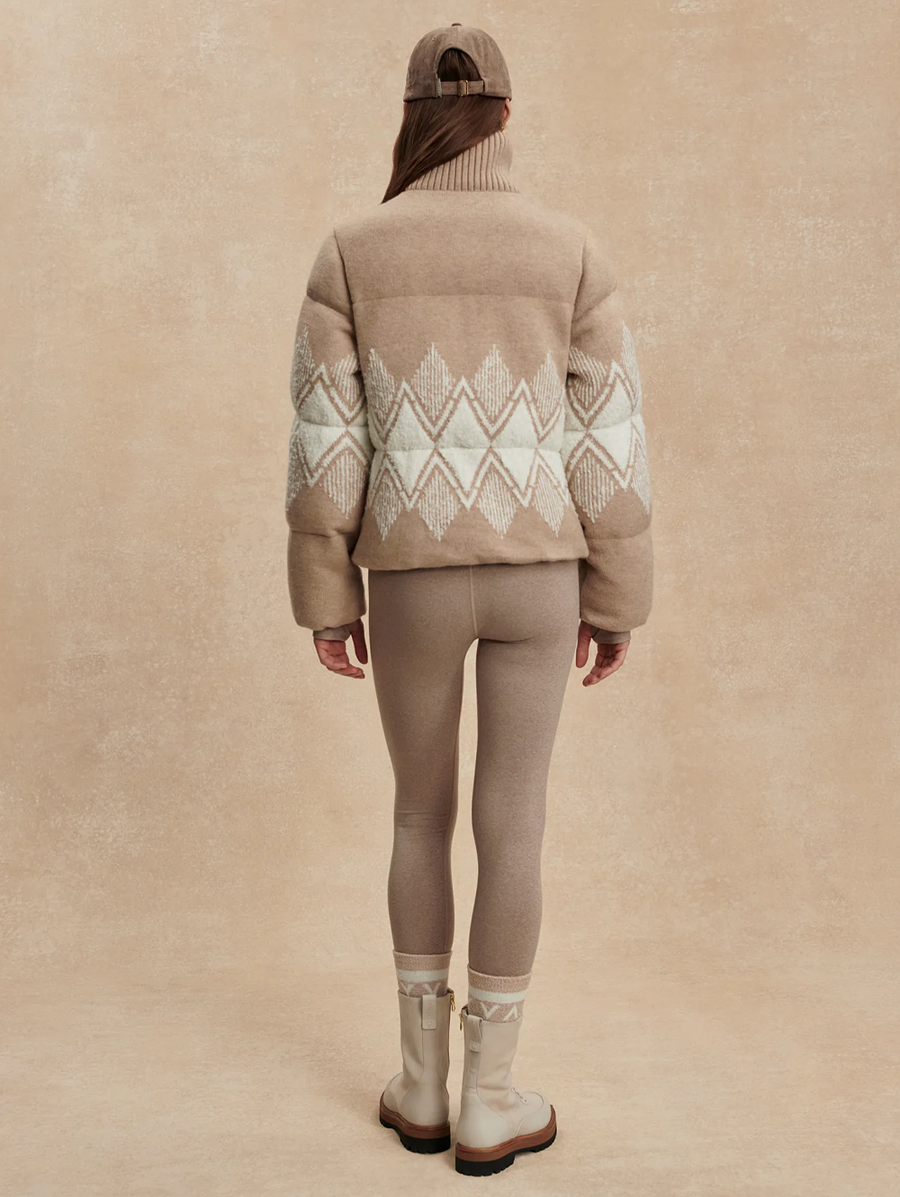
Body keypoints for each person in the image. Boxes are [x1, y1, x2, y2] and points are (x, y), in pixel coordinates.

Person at [283, 23, 653, 1177]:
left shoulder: (351, 252)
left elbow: (326, 443)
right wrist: (616, 596)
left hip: (411, 581)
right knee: (515, 823)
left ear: (413, 116)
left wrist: (326, 592)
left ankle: (420, 1089)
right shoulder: (569, 252)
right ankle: (492, 1100)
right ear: (504, 114)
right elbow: (609, 442)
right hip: (542, 578)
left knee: (417, 816)